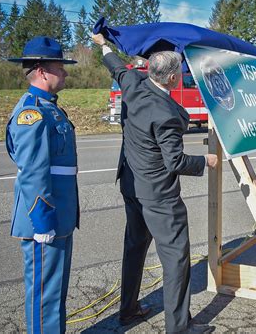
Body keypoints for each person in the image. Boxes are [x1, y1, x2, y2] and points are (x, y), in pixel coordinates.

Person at [92, 33, 218, 333]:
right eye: (181, 73)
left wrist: (103, 45)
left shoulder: (133, 85)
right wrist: (206, 162)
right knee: (176, 259)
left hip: (132, 187)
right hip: (160, 197)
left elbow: (116, 67)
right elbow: (175, 161)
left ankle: (129, 310)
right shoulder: (166, 114)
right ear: (173, 78)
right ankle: (179, 327)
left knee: (134, 249)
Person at [6, 36, 79, 333]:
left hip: (59, 218)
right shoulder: (32, 112)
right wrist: (42, 221)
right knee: (44, 296)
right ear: (42, 70)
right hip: (45, 220)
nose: (64, 73)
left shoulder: (51, 108)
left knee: (55, 292)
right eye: (59, 67)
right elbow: (33, 171)